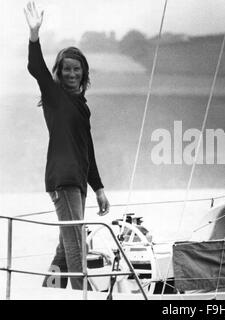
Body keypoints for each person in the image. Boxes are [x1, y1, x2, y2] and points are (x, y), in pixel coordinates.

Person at [24, 1, 110, 290]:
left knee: (66, 245)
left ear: (84, 74)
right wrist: (34, 35)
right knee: (77, 246)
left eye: (77, 70)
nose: (72, 74)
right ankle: (80, 295)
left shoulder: (82, 106)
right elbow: (35, 67)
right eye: (67, 69)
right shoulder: (54, 96)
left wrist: (98, 188)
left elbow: (88, 150)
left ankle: (48, 293)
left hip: (77, 182)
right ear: (59, 72)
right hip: (63, 180)